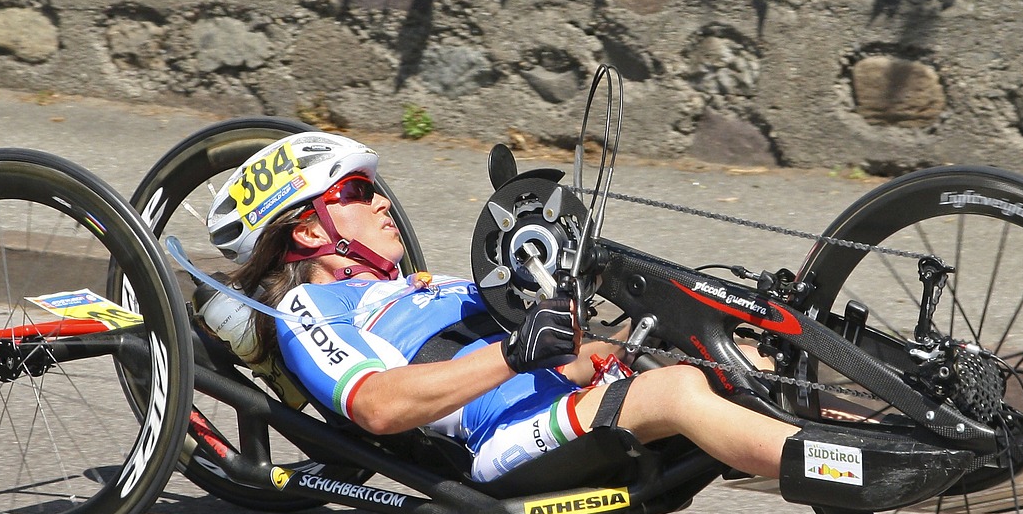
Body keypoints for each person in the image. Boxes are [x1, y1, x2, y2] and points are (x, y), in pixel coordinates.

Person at [200, 131, 797, 483]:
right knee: (678, 392)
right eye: (356, 192)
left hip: (564, 398)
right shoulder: (313, 305)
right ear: (307, 233)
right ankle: (843, 472)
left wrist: (609, 333)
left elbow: (560, 354)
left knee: (740, 359)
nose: (383, 202)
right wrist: (514, 353)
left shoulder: (424, 287)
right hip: (505, 440)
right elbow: (378, 406)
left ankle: (878, 440)